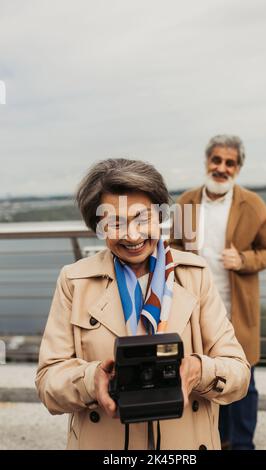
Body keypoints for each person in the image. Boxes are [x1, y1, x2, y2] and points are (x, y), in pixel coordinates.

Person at [35, 158, 250, 450]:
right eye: (115, 223)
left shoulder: (195, 275)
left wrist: (199, 370)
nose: (132, 235)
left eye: (142, 218)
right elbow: (48, 383)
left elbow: (239, 373)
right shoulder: (74, 281)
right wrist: (91, 380)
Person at [170, 135, 266, 450]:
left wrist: (243, 259)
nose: (221, 168)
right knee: (206, 378)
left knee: (245, 379)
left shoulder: (253, 204)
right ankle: (215, 440)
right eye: (216, 160)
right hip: (197, 310)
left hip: (237, 311)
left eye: (229, 163)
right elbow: (174, 248)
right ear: (207, 162)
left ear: (238, 168)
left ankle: (242, 444)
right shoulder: (187, 203)